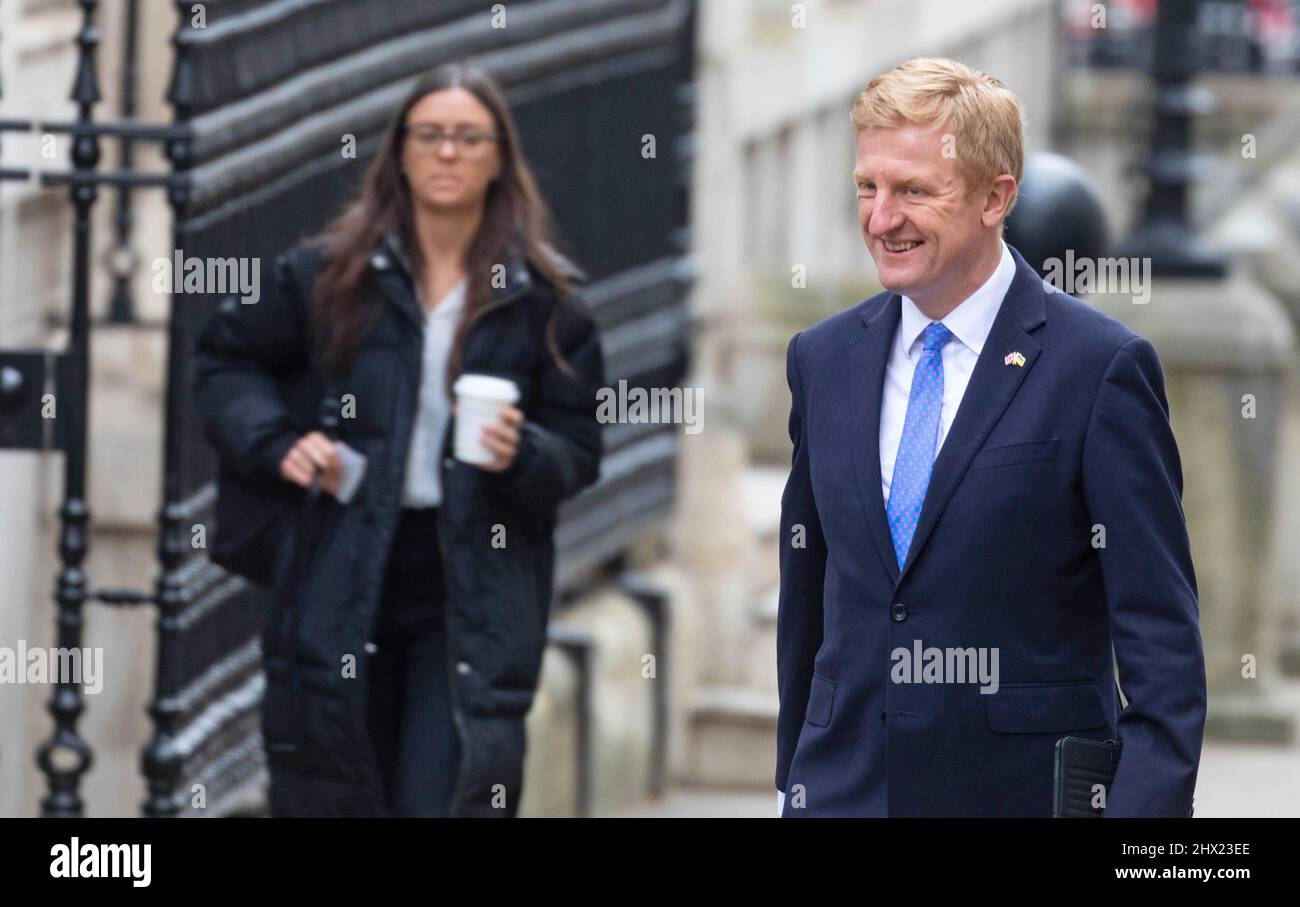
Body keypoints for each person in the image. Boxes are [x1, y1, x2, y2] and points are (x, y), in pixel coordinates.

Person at [775, 57, 1205, 817]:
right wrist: (793, 781)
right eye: (867, 188)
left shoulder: (1099, 370)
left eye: (913, 190)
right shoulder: (821, 359)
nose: (881, 218)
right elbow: (809, 598)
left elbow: (1161, 643)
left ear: (995, 198)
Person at [193, 60, 605, 817]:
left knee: (444, 791)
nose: (447, 153)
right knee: (337, 787)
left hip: (467, 587)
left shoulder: (543, 303)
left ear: (499, 159)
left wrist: (523, 450)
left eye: (468, 138)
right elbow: (225, 359)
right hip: (346, 563)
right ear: (402, 153)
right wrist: (275, 439)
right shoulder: (328, 277)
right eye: (431, 135)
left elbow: (579, 450)